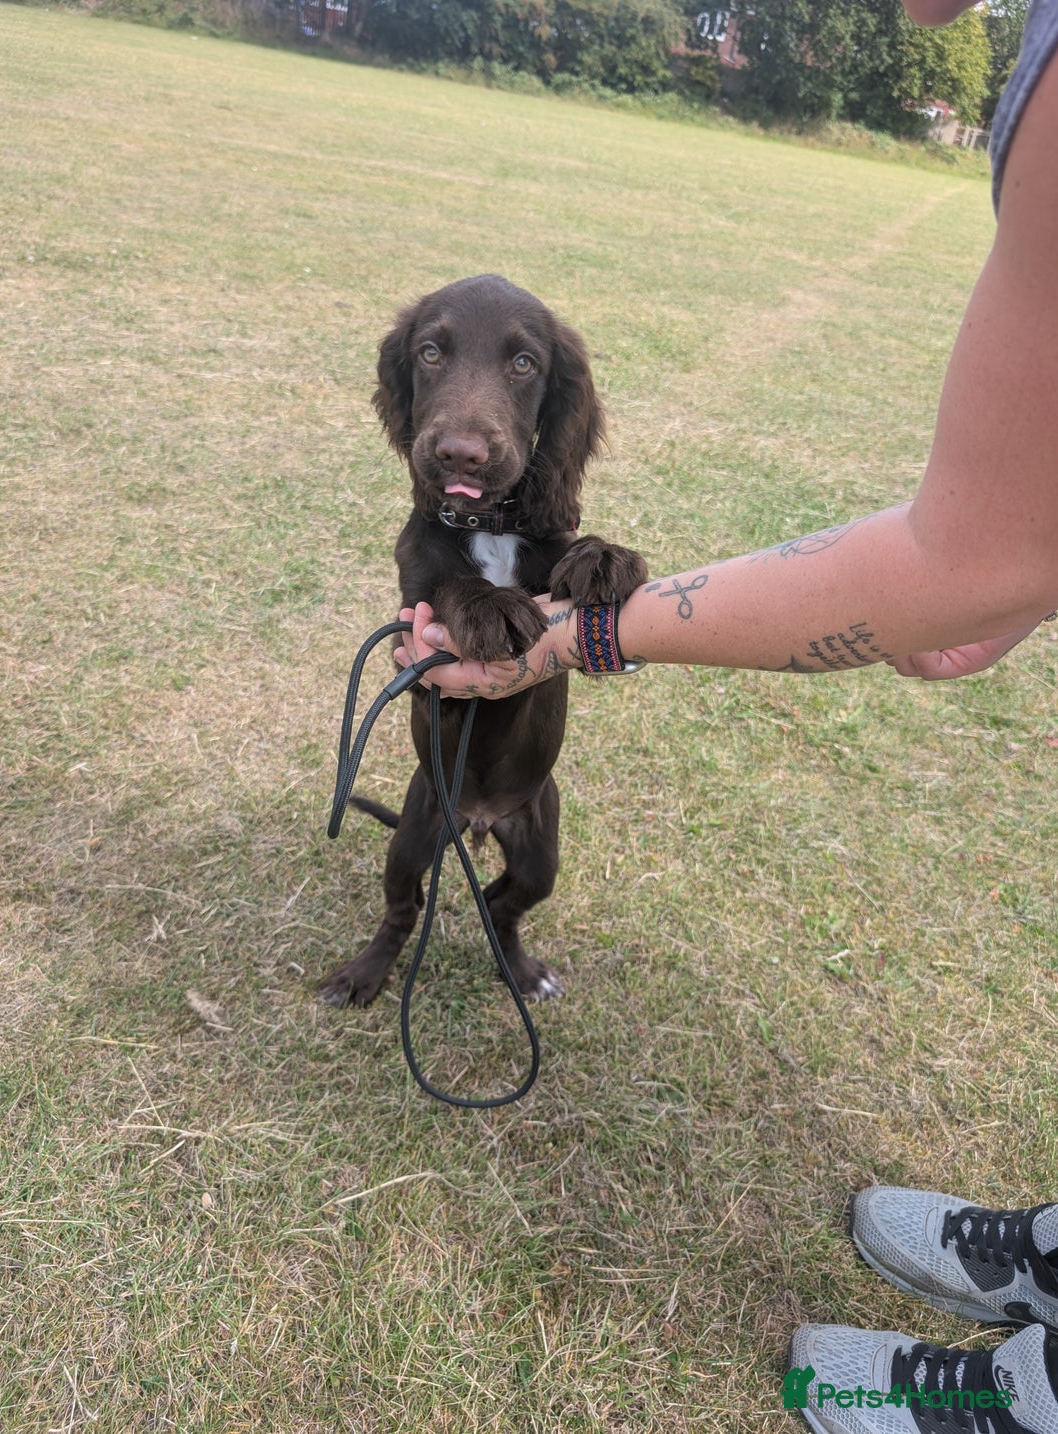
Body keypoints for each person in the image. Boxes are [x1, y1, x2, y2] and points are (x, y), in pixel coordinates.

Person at [396, 1, 1058, 1427]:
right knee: (419, 845)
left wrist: (584, 623)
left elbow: (959, 554)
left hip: (535, 740)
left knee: (533, 860)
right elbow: (999, 533)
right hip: (454, 754)